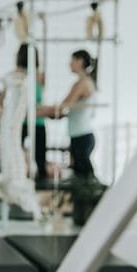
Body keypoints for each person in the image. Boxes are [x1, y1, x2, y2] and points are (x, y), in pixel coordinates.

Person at [39, 49, 98, 178]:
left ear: (80, 61)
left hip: (82, 136)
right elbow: (68, 111)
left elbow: (63, 106)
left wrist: (38, 111)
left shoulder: (82, 83)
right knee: (81, 173)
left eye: (71, 61)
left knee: (86, 177)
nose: (69, 64)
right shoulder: (84, 82)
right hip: (80, 135)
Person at [16, 43, 48, 181]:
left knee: (38, 159)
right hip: (23, 121)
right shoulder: (21, 76)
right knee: (18, 157)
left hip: (35, 121)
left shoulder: (38, 76)